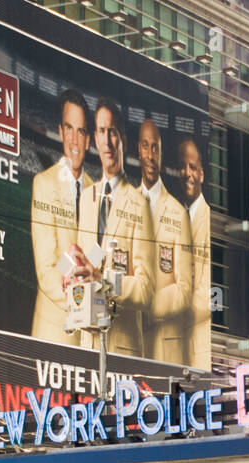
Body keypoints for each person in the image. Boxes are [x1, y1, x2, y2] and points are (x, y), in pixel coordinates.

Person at [70, 99, 154, 356]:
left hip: (122, 350)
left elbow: (145, 288)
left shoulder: (140, 203)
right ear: (95, 137)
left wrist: (103, 280)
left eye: (113, 132)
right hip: (87, 343)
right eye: (102, 132)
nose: (107, 141)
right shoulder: (87, 197)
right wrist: (66, 272)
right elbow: (90, 256)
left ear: (123, 140)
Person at [32, 88, 93, 341]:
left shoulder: (96, 191)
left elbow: (99, 252)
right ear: (60, 131)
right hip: (53, 331)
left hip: (88, 335)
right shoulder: (44, 183)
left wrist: (90, 264)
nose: (74, 140)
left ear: (88, 139)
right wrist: (75, 263)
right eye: (69, 128)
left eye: (80, 131)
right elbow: (46, 271)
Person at [136, 117, 193, 365]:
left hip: (166, 346)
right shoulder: (124, 203)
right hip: (130, 345)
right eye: (146, 146)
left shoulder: (178, 213)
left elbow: (184, 288)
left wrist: (148, 308)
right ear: (138, 149)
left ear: (161, 153)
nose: (151, 154)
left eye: (155, 148)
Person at [179, 135, 211, 369]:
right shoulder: (174, 214)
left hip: (200, 344)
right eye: (182, 167)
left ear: (201, 173)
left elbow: (209, 291)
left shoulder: (208, 218)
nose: (187, 173)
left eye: (192, 167)